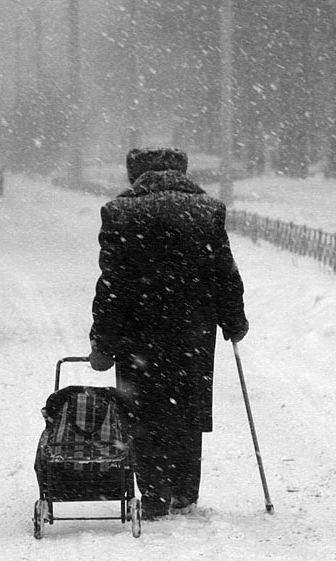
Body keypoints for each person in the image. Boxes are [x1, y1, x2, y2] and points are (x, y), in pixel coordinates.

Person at [88, 147, 249, 520]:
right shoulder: (207, 210)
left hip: (138, 332)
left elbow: (112, 283)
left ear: (134, 174)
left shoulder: (120, 213)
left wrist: (104, 342)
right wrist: (234, 319)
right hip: (192, 330)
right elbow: (223, 271)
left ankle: (155, 491)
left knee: (141, 410)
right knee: (187, 409)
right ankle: (184, 491)